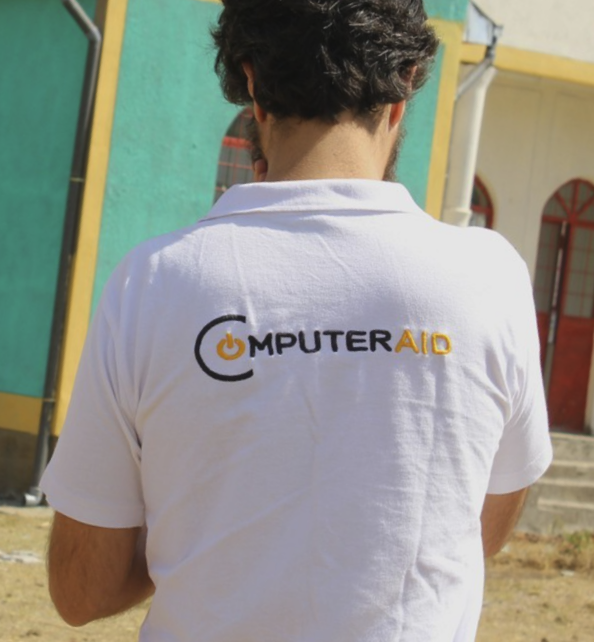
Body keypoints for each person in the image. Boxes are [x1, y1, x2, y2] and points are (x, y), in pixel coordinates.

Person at [41, 1, 552, 641]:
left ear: (253, 85)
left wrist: (205, 522)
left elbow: (81, 589)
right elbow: (478, 525)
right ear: (405, 87)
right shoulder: (490, 279)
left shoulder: (152, 284)